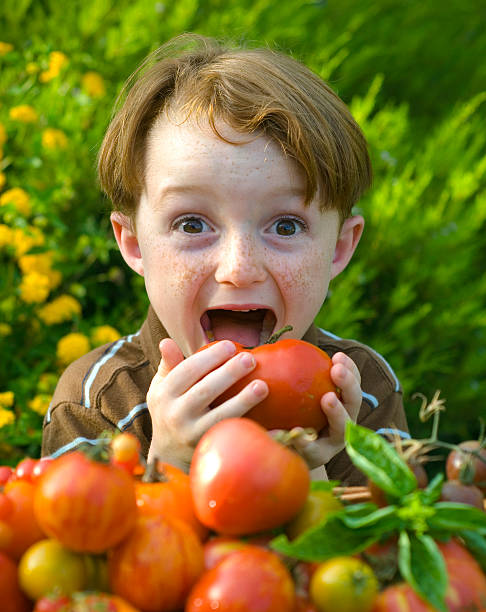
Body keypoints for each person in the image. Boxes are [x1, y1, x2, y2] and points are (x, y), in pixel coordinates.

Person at [42, 33, 408, 484]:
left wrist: (306, 477)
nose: (239, 268)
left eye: (286, 226)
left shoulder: (363, 392)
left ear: (338, 248)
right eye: (192, 224)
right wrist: (170, 465)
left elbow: (389, 550)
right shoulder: (98, 402)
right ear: (134, 244)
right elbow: (80, 546)